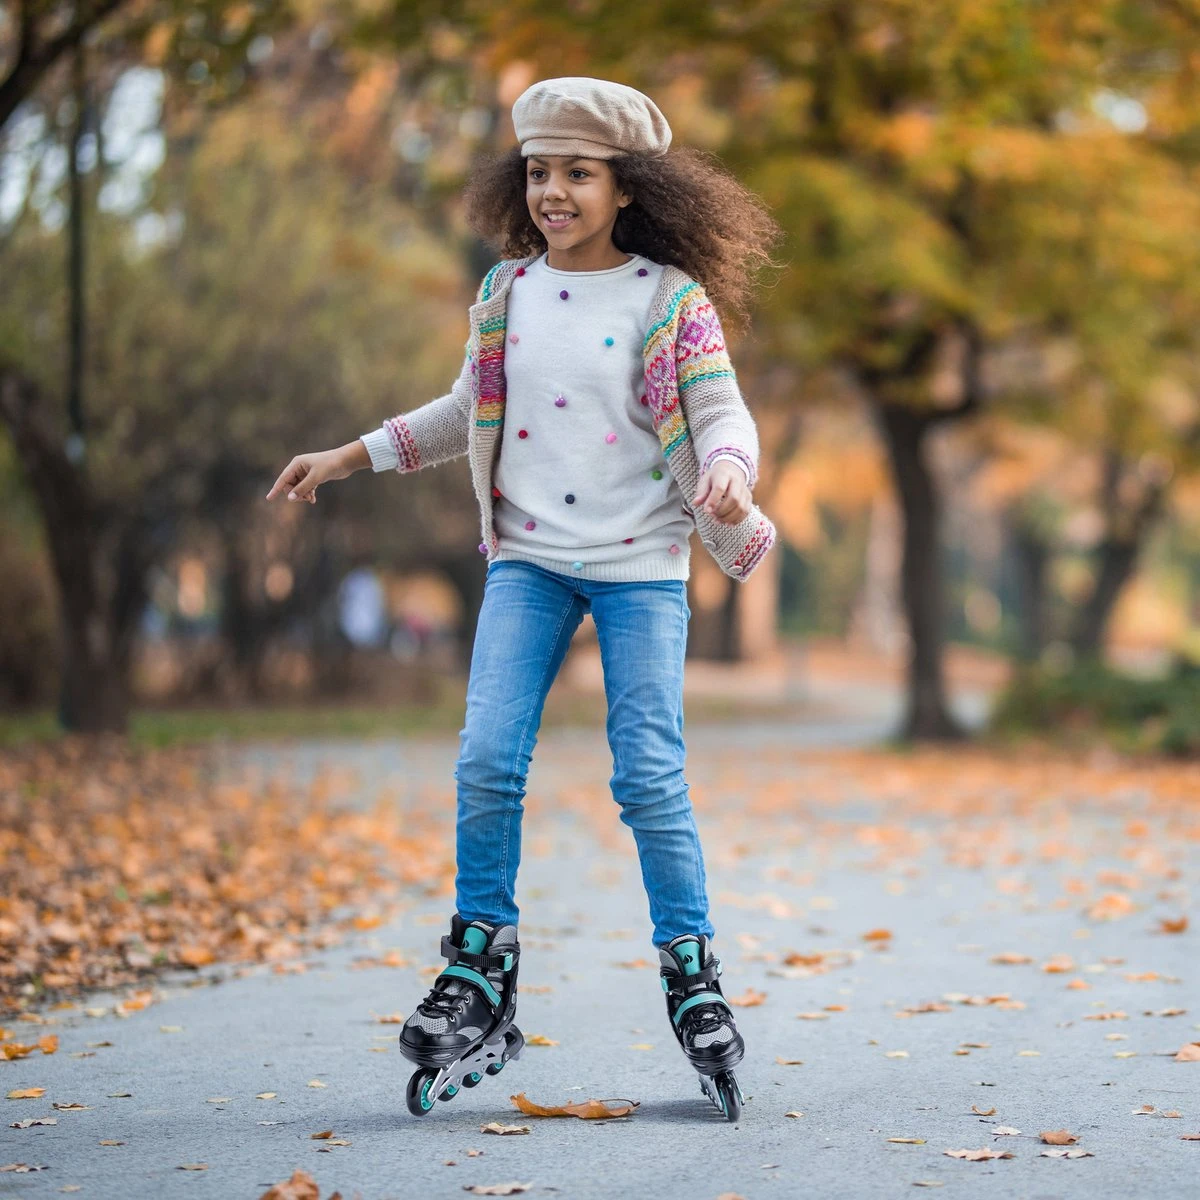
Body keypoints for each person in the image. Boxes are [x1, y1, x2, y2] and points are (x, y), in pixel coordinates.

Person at [266, 76, 782, 1120]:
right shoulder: (506, 294)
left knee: (647, 775)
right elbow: (467, 411)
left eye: (578, 174)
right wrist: (350, 456)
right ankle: (480, 970)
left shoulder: (668, 300)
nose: (555, 191)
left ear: (625, 188)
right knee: (488, 756)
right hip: (531, 563)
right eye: (540, 172)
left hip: (640, 562)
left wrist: (730, 470)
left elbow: (723, 412)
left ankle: (693, 977)